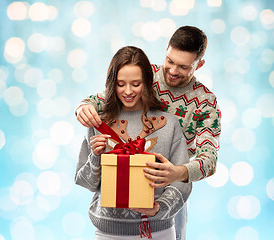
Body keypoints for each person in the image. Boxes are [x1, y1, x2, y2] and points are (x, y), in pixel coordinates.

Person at [76, 26, 221, 240]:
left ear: (199, 65)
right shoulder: (145, 74)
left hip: (169, 185)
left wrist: (177, 172)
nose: (172, 71)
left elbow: (209, 159)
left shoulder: (205, 102)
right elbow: (104, 98)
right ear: (166, 50)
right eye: (169, 61)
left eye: (183, 67)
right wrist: (83, 106)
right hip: (114, 212)